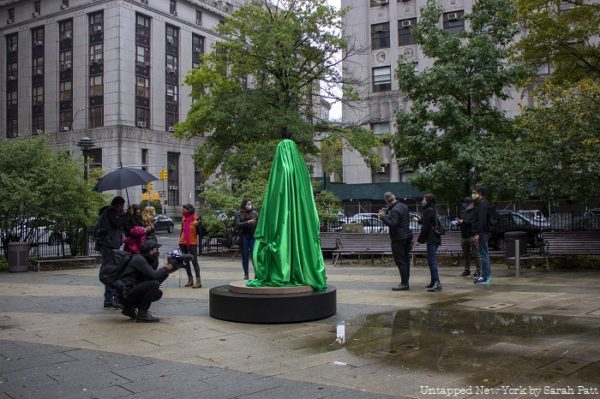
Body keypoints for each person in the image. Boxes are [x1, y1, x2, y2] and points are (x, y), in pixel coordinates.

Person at [113, 239, 175, 323]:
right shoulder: (139, 259)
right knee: (154, 285)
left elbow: (154, 278)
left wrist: (167, 271)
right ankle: (142, 314)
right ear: (149, 250)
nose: (157, 252)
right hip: (125, 293)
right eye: (155, 250)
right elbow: (154, 276)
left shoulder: (148, 260)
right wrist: (164, 269)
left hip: (130, 291)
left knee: (157, 292)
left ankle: (129, 309)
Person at [378, 192, 413, 291]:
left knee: (400, 261)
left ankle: (404, 284)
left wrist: (383, 217)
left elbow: (393, 224)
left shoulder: (395, 210)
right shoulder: (403, 206)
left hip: (399, 238)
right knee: (406, 260)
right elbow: (399, 221)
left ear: (386, 201)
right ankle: (406, 282)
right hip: (407, 236)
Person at [96, 196, 127, 308]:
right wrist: (125, 215)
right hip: (109, 245)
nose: (122, 207)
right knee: (113, 271)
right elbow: (117, 224)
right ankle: (113, 298)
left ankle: (109, 298)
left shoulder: (109, 211)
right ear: (118, 204)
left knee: (110, 270)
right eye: (122, 205)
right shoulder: (111, 211)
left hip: (108, 244)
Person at [416, 193, 442, 292]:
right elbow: (427, 222)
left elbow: (426, 227)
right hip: (435, 238)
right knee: (432, 262)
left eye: (424, 199)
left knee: (432, 262)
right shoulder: (432, 209)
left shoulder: (428, 210)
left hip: (432, 239)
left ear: (427, 200)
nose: (422, 201)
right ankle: (433, 281)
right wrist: (419, 221)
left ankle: (437, 283)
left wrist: (419, 240)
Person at [234, 198, 259, 280]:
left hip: (252, 236)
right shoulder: (239, 213)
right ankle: (246, 274)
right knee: (245, 255)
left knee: (254, 255)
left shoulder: (254, 213)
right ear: (244, 204)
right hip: (244, 236)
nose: (249, 206)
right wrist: (248, 222)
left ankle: (257, 273)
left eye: (250, 204)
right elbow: (237, 225)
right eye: (248, 204)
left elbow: (258, 225)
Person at [472, 186, 492, 284]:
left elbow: (482, 220)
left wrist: (478, 233)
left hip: (483, 232)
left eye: (474, 192)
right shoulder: (483, 203)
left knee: (484, 254)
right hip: (484, 231)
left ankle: (485, 277)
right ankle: (486, 276)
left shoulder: (483, 204)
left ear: (479, 193)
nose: (473, 194)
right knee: (485, 253)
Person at [179, 204, 202, 288]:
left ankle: (198, 281)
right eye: (183, 209)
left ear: (189, 210)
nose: (183, 211)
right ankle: (190, 279)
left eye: (184, 209)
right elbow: (182, 230)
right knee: (186, 261)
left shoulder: (196, 219)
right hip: (183, 242)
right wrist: (179, 241)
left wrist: (198, 225)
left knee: (194, 261)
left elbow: (200, 233)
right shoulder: (183, 218)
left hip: (192, 242)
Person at [457, 197, 481, 278]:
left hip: (472, 235)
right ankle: (467, 270)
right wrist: (459, 222)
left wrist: (464, 221)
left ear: (471, 204)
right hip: (464, 236)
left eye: (468, 204)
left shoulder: (475, 212)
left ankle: (478, 271)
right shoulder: (463, 212)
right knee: (466, 255)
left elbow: (474, 223)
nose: (466, 206)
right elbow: (462, 221)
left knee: (476, 254)